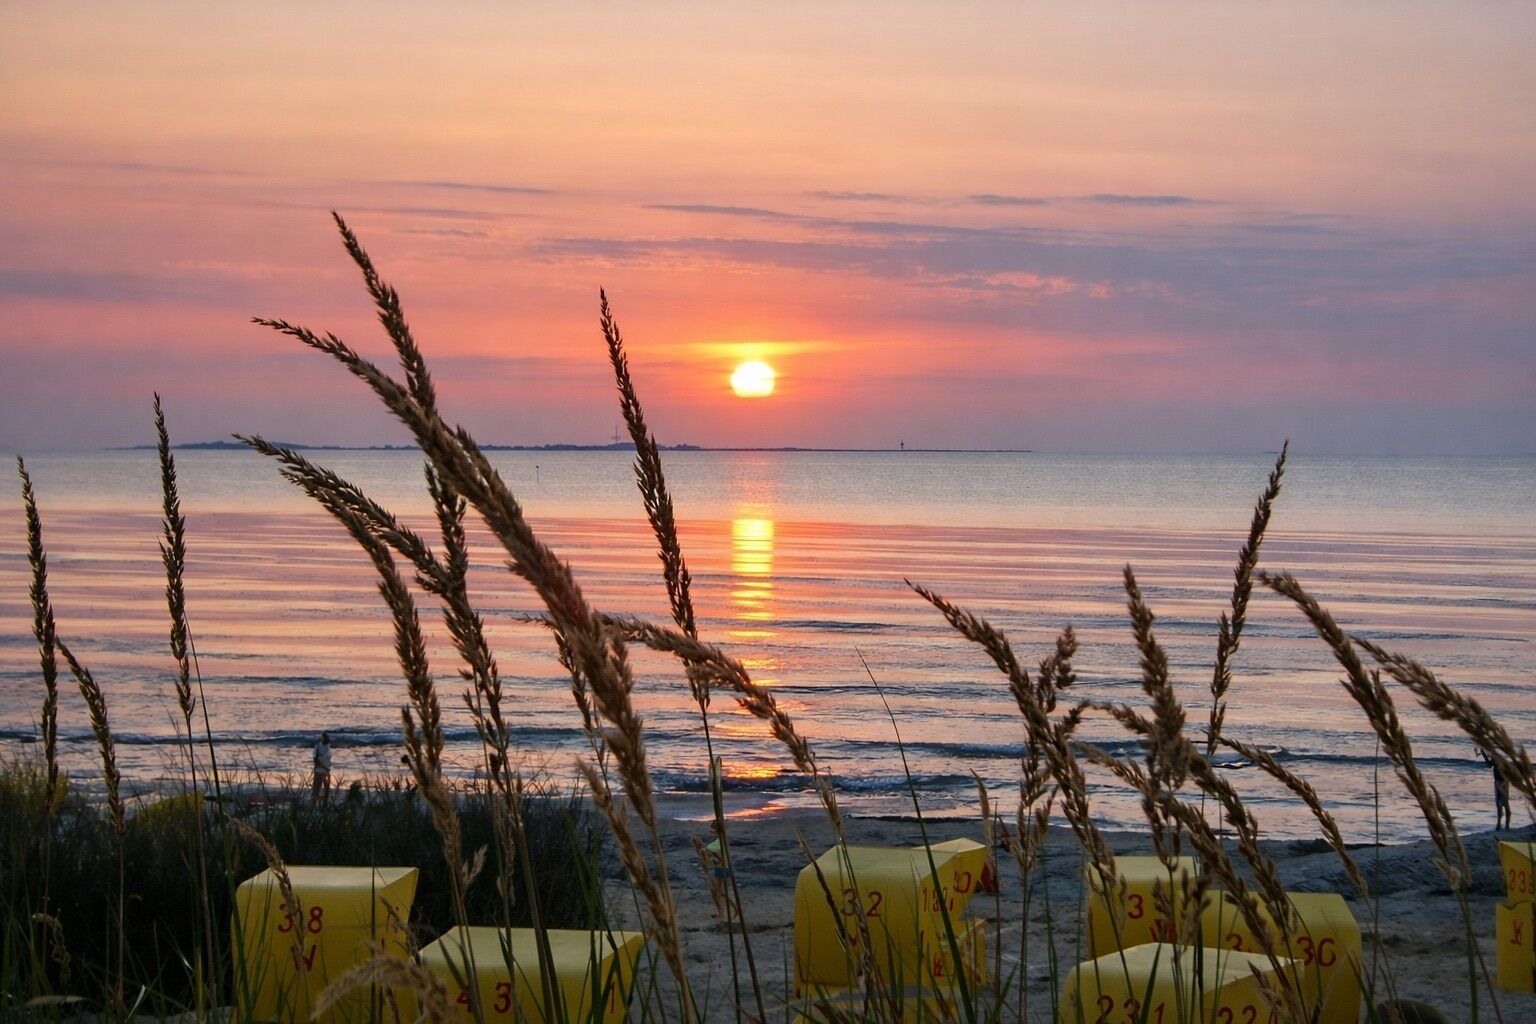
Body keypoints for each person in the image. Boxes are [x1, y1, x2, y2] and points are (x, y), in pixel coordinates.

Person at [1479, 746, 1511, 830]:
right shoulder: (1494, 759)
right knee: (1498, 803)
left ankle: (1507, 825)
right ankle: (1499, 824)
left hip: (1503, 783)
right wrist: (1483, 754)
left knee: (1504, 803)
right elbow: (1489, 765)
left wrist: (1504, 784)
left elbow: (1508, 774)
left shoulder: (1502, 760)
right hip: (1497, 782)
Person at [311, 731, 333, 804]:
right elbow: (315, 760)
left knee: (326, 790)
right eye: (324, 737)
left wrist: (327, 769)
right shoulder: (317, 746)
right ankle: (312, 805)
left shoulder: (329, 747)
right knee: (316, 790)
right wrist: (324, 767)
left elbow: (328, 759)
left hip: (326, 772)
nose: (326, 739)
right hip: (319, 771)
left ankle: (324, 805)